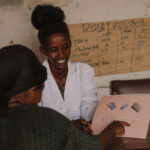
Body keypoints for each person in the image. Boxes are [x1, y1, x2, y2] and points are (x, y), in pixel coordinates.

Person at [0, 44, 130, 150]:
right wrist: (111, 130)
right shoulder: (45, 119)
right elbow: (91, 147)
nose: (61, 54)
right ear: (27, 93)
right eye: (41, 87)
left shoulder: (84, 71)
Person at [31, 5, 99, 123]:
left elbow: (90, 107)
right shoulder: (34, 77)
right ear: (43, 50)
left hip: (83, 135)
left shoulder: (84, 71)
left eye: (65, 47)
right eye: (53, 50)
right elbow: (38, 120)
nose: (61, 55)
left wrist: (105, 111)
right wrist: (71, 126)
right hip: (51, 140)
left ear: (70, 44)